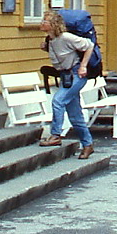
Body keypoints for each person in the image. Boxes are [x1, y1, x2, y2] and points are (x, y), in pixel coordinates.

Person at [38, 10, 96, 159]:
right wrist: (46, 48)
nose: (41, 23)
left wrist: (83, 66)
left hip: (77, 74)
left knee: (58, 101)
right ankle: (88, 145)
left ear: (53, 24)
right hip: (66, 76)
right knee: (75, 115)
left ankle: (55, 135)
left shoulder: (66, 37)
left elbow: (89, 45)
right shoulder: (51, 40)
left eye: (45, 21)